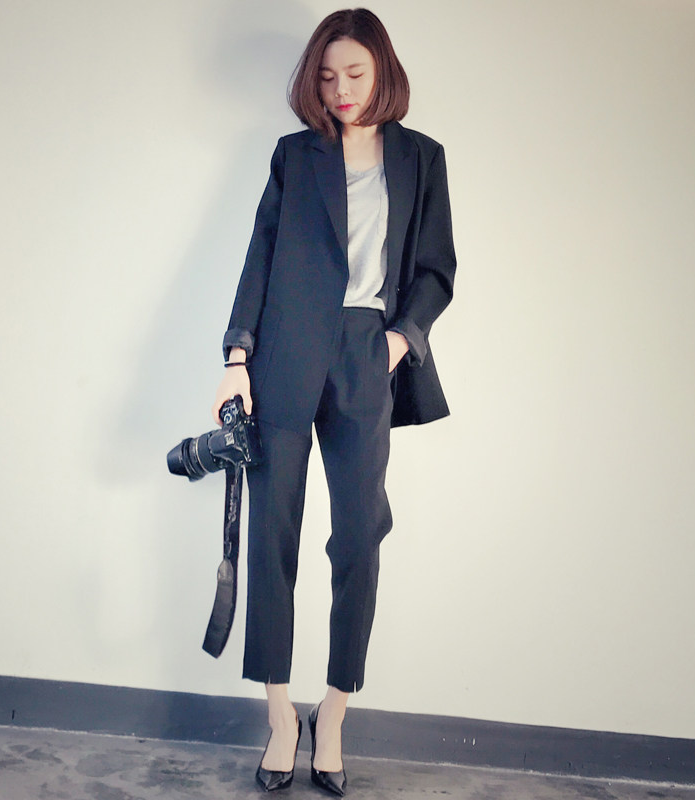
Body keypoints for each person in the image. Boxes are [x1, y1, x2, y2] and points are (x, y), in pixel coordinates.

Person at [211, 8, 456, 795]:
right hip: (284, 351)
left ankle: (336, 712)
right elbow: (260, 254)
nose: (341, 89)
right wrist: (237, 357)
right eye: (326, 76)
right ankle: (281, 715)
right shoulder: (295, 156)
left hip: (364, 353)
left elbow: (437, 270)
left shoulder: (421, 159)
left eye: (354, 72)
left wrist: (397, 342)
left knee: (358, 537)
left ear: (382, 70)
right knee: (273, 532)